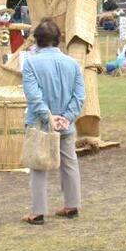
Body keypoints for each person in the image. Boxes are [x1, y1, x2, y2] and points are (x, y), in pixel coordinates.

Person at [21, 19, 85, 225]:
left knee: (38, 164)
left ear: (37, 40)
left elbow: (34, 96)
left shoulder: (30, 62)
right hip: (66, 123)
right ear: (58, 40)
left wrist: (49, 117)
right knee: (70, 163)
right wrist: (66, 117)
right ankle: (72, 205)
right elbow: (79, 96)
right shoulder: (72, 63)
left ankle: (38, 212)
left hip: (40, 123)